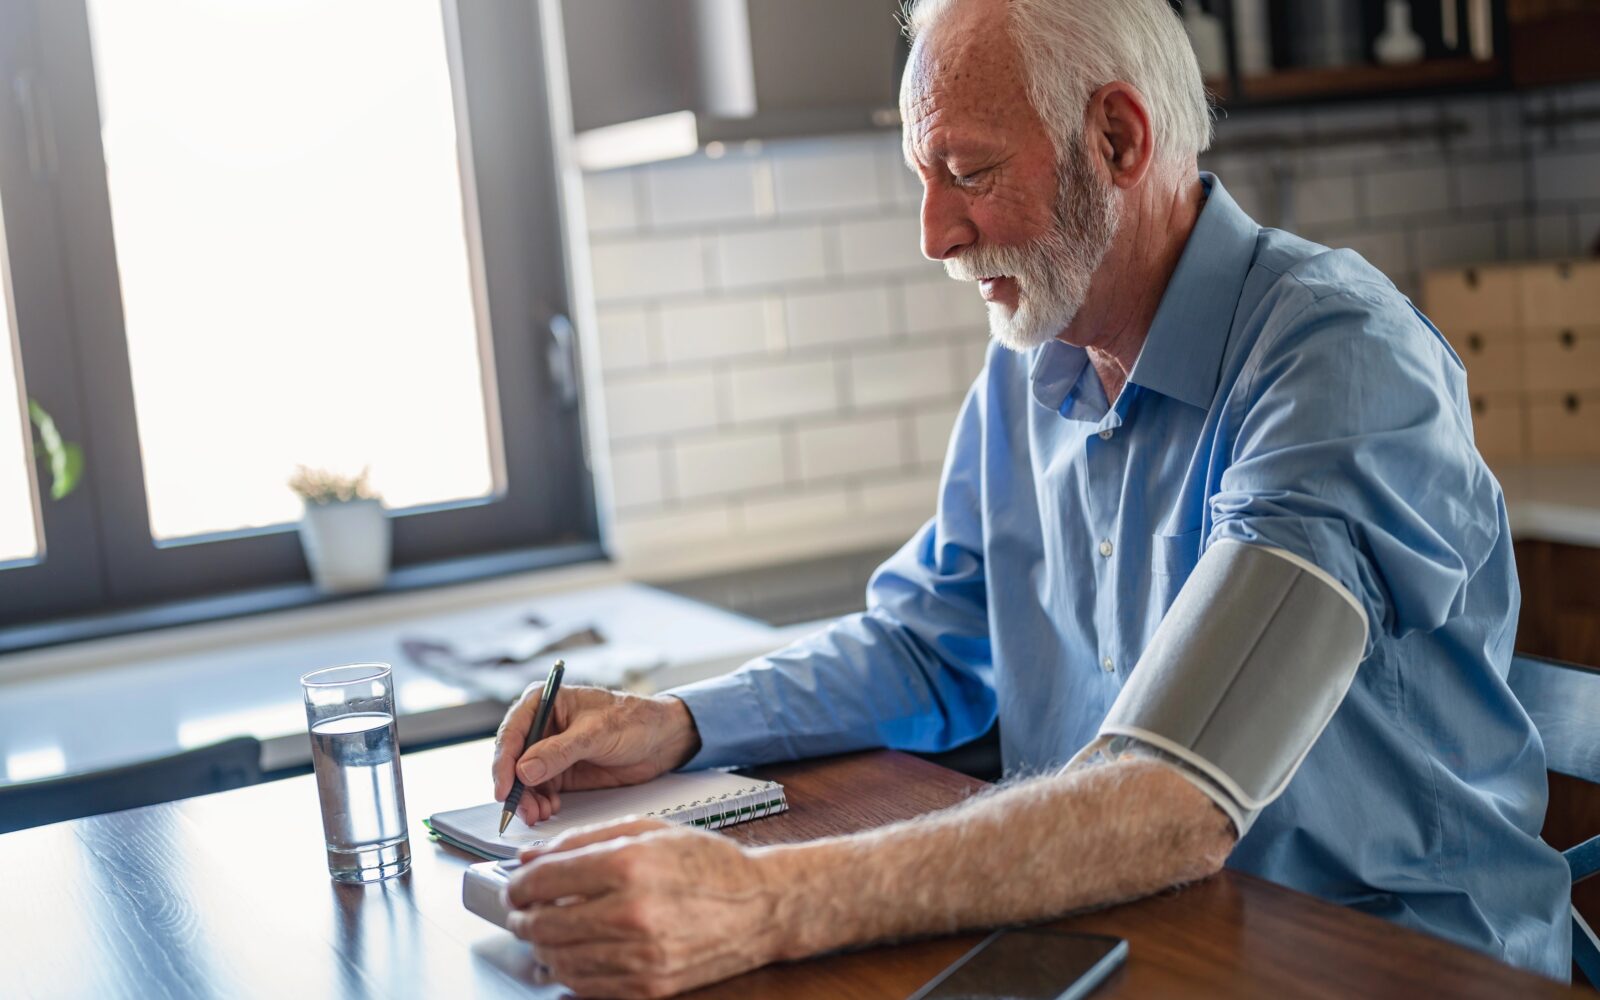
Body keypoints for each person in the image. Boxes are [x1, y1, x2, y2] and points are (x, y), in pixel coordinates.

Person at [489, 0, 1570, 994]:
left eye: (966, 170)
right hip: (1145, 933)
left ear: (1118, 140)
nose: (935, 234)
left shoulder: (1339, 361)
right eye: (922, 175)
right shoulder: (1032, 365)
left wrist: (766, 902)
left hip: (1391, 962)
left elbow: (1173, 797)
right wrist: (679, 726)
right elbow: (927, 649)